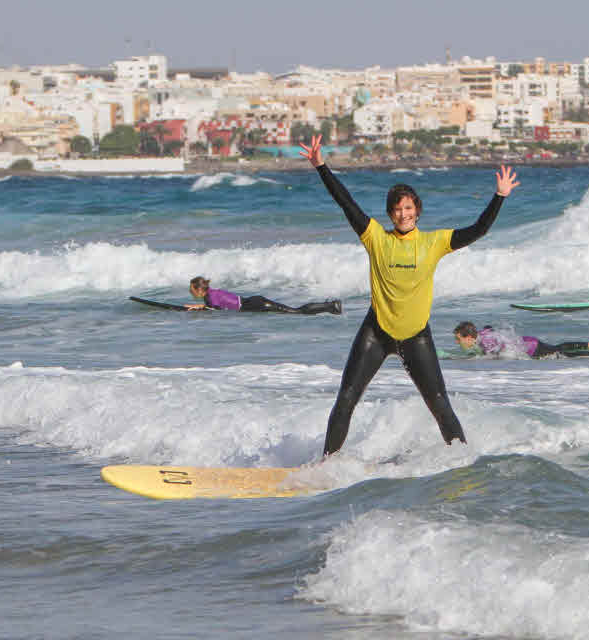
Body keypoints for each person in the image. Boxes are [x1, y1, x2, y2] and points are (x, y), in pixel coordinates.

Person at [300, 134, 519, 456]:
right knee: (346, 399)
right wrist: (321, 166)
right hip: (376, 332)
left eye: (408, 207)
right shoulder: (375, 237)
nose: (403, 214)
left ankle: (462, 463)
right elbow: (346, 202)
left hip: (416, 337)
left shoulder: (434, 243)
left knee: (440, 405)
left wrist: (499, 196)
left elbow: (478, 230)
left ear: (417, 210)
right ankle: (325, 465)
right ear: (390, 214)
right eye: (397, 209)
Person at [186, 276, 341, 314]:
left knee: (297, 312)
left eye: (191, 289)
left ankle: (331, 306)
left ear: (199, 289)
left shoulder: (211, 298)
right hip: (254, 302)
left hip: (256, 305)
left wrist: (200, 308)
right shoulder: (211, 294)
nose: (190, 291)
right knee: (295, 312)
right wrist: (202, 307)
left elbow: (217, 311)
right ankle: (330, 307)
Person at [453, 321, 589, 358]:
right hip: (528, 342)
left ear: (469, 337)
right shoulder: (481, 335)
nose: (457, 342)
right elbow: (489, 328)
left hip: (531, 348)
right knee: (558, 350)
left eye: (459, 339)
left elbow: (497, 354)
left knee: (560, 352)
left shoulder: (485, 342)